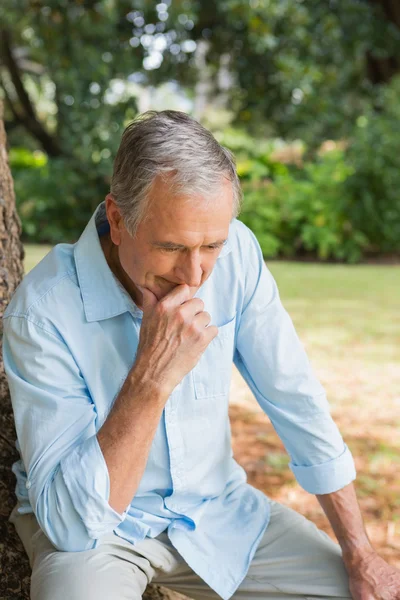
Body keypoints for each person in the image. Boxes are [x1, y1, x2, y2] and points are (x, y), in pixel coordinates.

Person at [3, 110, 399, 600]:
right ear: (118, 219)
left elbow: (295, 399)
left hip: (217, 511)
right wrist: (150, 378)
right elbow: (69, 524)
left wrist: (360, 551)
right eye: (172, 247)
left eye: (212, 245)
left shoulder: (239, 257)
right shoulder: (41, 313)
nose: (195, 275)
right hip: (97, 531)